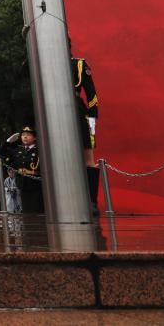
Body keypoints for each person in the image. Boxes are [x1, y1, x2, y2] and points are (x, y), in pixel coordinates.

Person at [70, 52, 101, 214]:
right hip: (52, 108)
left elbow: (91, 93)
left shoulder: (79, 64)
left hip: (76, 108)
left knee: (88, 157)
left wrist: (93, 117)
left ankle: (91, 201)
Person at [5, 126, 42, 213]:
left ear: (34, 138)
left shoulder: (39, 150)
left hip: (35, 183)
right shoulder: (18, 150)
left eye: (28, 135)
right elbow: (3, 156)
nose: (25, 137)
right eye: (23, 135)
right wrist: (7, 143)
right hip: (22, 183)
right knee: (25, 210)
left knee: (36, 209)